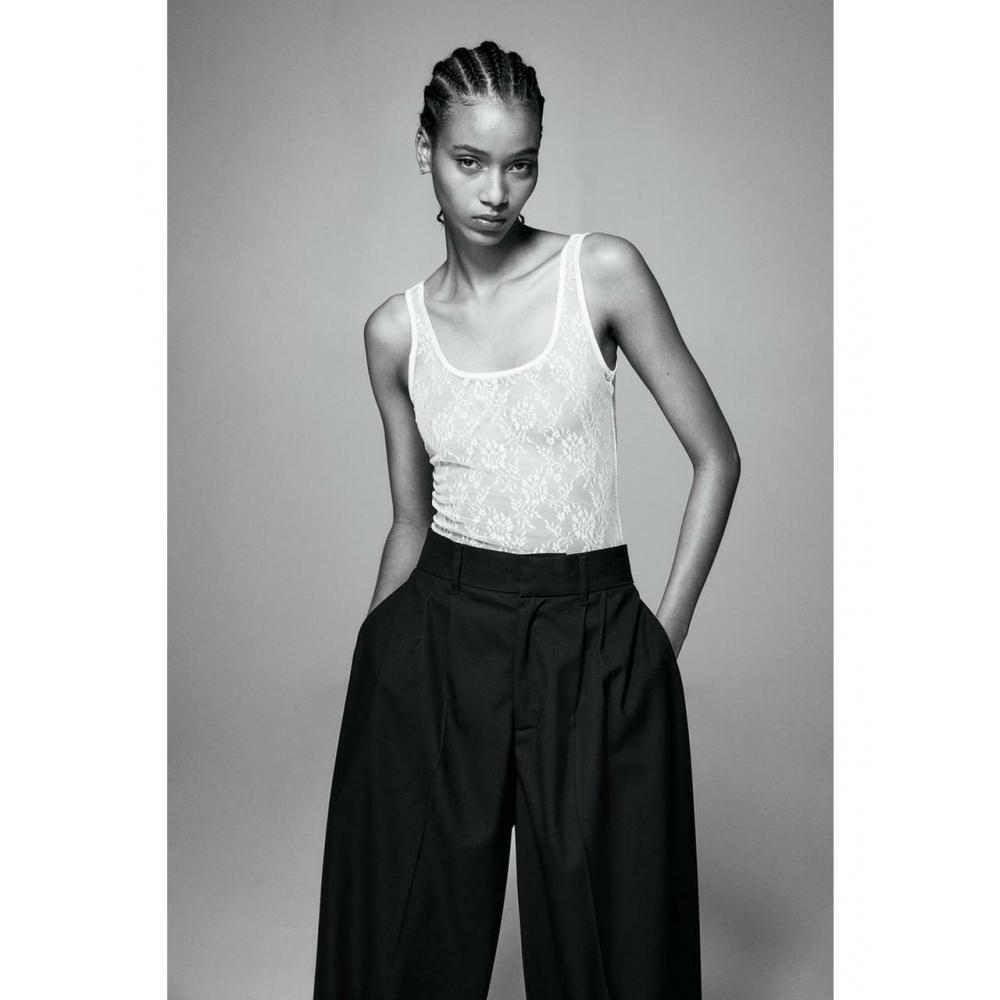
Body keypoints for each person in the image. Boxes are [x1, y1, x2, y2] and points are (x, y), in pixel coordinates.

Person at [313, 39, 740, 1000]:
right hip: (440, 634)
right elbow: (409, 520)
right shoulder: (395, 331)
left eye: (521, 164)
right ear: (424, 151)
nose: (496, 192)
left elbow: (717, 456)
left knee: (613, 946)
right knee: (405, 935)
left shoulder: (603, 272)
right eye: (469, 161)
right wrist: (376, 657)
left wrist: (658, 642)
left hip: (590, 635)